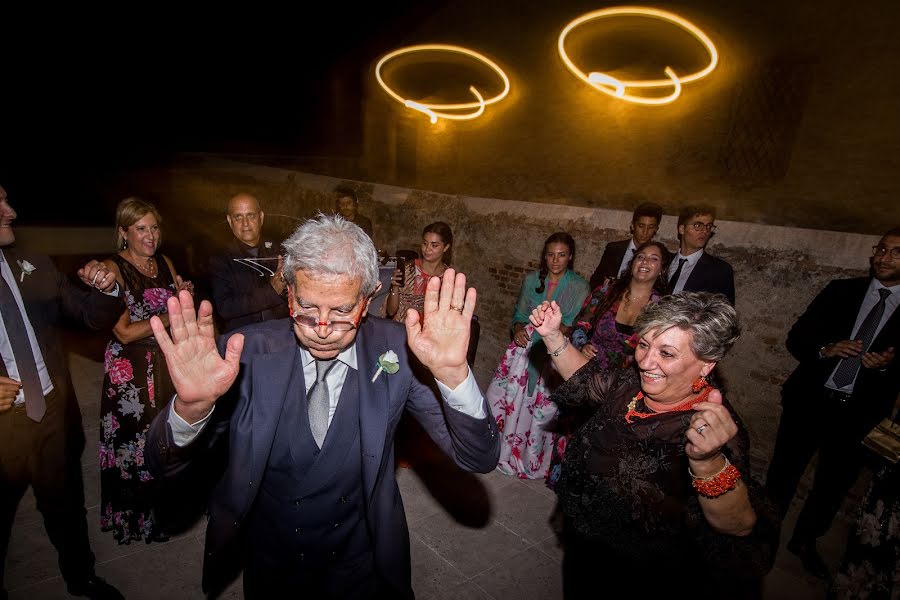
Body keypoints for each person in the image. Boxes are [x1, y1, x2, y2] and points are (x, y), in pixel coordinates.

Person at [145, 214, 499, 598]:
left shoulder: (398, 350)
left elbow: (478, 456)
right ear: (288, 289)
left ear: (371, 295)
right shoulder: (243, 352)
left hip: (360, 562)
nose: (324, 327)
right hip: (270, 560)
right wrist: (191, 410)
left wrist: (453, 376)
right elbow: (160, 463)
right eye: (308, 307)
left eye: (344, 310)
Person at [531, 292, 778, 598]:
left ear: (706, 365)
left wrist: (708, 462)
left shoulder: (713, 429)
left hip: (644, 571)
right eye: (644, 345)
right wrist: (554, 336)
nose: (646, 362)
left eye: (667, 353)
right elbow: (586, 380)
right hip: (589, 542)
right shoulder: (631, 385)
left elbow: (739, 526)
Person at [0, 184, 124, 599]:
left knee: (66, 505)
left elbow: (89, 316)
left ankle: (81, 577)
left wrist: (106, 290)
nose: (11, 210)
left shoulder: (31, 265)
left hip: (50, 410)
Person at [765, 227, 900, 580]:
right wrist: (826, 349)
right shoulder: (842, 290)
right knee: (782, 474)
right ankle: (762, 533)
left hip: (858, 413)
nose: (884, 257)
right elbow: (798, 338)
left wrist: (889, 366)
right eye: (881, 249)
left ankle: (804, 541)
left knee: (831, 486)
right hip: (810, 402)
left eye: (896, 253)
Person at [98, 197, 193, 544]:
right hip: (131, 374)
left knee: (162, 442)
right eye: (141, 228)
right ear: (124, 232)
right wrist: (172, 313)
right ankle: (134, 519)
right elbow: (122, 331)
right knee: (133, 445)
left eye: (154, 227)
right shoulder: (114, 270)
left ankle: (162, 514)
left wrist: (182, 294)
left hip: (166, 364)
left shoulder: (164, 262)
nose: (150, 235)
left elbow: (174, 303)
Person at [546, 240, 669, 489]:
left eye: (653, 259)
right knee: (575, 433)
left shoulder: (663, 308)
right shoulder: (607, 292)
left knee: (608, 444)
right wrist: (582, 344)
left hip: (626, 386)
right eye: (641, 257)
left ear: (662, 269)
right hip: (588, 373)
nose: (645, 262)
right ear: (632, 263)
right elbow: (581, 324)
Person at [487, 233, 589, 479]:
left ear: (570, 257)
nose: (555, 260)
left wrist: (547, 336)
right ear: (544, 256)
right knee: (502, 398)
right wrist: (519, 329)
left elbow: (571, 324)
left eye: (562, 255)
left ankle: (530, 457)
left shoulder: (579, 286)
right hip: (523, 355)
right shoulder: (532, 279)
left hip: (554, 355)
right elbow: (518, 315)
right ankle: (502, 449)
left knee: (542, 409)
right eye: (550, 254)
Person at [209, 192, 289, 332]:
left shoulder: (279, 251)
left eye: (251, 215)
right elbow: (225, 308)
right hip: (245, 340)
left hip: (282, 334)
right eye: (238, 217)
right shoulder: (220, 259)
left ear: (261, 217)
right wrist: (272, 291)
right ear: (230, 221)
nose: (245, 224)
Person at [383, 221, 453, 323]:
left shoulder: (448, 278)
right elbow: (390, 311)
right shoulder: (408, 269)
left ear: (445, 247)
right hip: (401, 332)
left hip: (430, 334)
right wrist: (394, 287)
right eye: (425, 243)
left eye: (434, 245)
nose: (427, 249)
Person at [666, 204, 735, 305]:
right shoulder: (663, 262)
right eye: (698, 225)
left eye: (709, 226)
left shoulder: (720, 271)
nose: (705, 231)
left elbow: (724, 313)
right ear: (681, 229)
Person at [589, 202, 664, 289]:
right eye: (641, 226)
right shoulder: (614, 249)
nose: (645, 232)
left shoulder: (659, 257)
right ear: (632, 226)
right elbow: (596, 280)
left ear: (656, 229)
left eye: (650, 227)